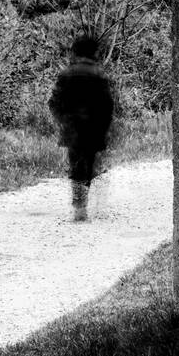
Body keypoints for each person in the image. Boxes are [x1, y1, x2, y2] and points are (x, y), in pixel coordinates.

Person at [49, 33, 115, 222]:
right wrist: (104, 127)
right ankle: (83, 204)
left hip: (72, 128)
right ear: (94, 52)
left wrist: (63, 120)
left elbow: (55, 101)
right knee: (89, 164)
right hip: (93, 128)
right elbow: (107, 105)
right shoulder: (99, 74)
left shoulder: (66, 74)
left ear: (75, 52)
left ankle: (79, 206)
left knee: (75, 163)